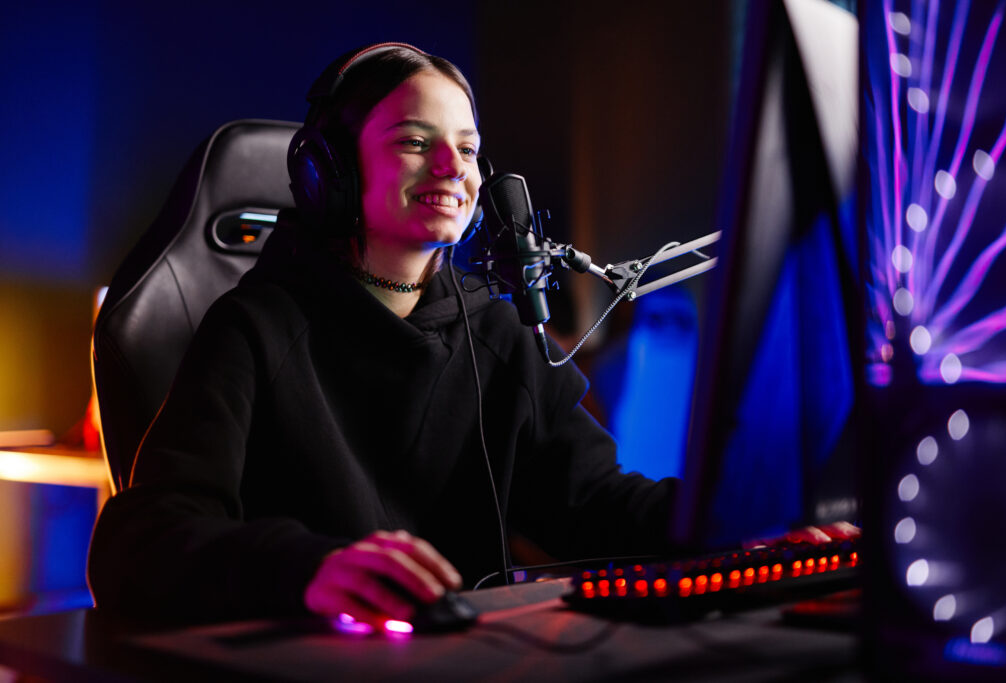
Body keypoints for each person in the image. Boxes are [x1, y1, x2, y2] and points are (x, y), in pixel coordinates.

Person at [87, 43, 679, 626]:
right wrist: (308, 570)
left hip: (465, 660)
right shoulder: (254, 328)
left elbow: (593, 503)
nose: (452, 167)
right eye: (415, 143)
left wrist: (730, 515)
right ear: (331, 171)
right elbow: (142, 544)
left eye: (467, 149)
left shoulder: (500, 330)